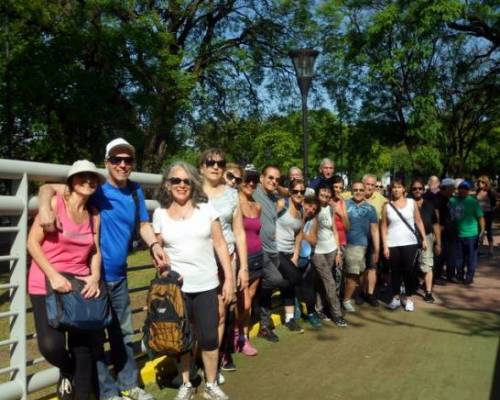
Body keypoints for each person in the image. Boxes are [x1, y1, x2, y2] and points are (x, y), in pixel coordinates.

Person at [38, 138, 168, 400]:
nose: (122, 164)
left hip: (119, 276)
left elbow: (143, 223)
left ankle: (129, 384)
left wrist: (154, 245)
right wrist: (44, 208)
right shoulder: (94, 187)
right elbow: (47, 188)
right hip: (90, 278)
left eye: (127, 160)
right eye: (116, 160)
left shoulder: (135, 191)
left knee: (123, 332)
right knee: (94, 337)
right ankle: (108, 393)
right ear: (107, 163)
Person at [152, 161, 233, 400]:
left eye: (186, 180)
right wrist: (163, 268)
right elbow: (157, 250)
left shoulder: (207, 210)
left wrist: (228, 279)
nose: (181, 185)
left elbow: (220, 244)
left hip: (207, 284)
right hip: (177, 290)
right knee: (182, 339)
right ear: (167, 184)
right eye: (176, 180)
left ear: (193, 184)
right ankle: (186, 383)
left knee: (209, 337)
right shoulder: (159, 215)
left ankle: (210, 383)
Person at [28, 160, 105, 400]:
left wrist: (94, 277)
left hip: (80, 285)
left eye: (92, 177)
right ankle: (66, 369)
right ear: (71, 182)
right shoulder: (54, 204)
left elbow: (95, 250)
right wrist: (53, 275)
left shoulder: (94, 214)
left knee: (83, 349)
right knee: (50, 346)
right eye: (82, 177)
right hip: (46, 282)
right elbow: (32, 243)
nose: (88, 181)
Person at [199, 149, 248, 374]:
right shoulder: (191, 191)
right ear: (202, 166)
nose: (216, 166)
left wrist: (244, 268)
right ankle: (195, 361)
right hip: (199, 260)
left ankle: (214, 365)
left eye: (220, 163)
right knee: (195, 315)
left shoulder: (231, 194)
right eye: (210, 162)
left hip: (227, 259)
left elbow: (239, 232)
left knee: (220, 313)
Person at [253, 165, 288, 342]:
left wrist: (279, 202)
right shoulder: (253, 192)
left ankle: (264, 326)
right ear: (261, 178)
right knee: (275, 280)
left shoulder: (273, 196)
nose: (273, 181)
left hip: (273, 248)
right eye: (270, 177)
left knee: (267, 287)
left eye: (276, 179)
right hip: (259, 250)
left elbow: (285, 197)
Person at [381, 178, 427, 312]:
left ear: (403, 189)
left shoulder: (412, 203)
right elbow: (383, 227)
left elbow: (418, 221)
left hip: (410, 242)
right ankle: (395, 297)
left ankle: (409, 298)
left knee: (409, 271)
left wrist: (423, 238)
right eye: (394, 187)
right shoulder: (387, 206)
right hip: (392, 243)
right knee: (395, 271)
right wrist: (385, 246)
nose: (396, 190)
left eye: (399, 187)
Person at [235, 166, 262, 356]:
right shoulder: (234, 202)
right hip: (241, 259)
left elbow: (256, 231)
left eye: (254, 180)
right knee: (242, 302)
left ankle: (244, 337)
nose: (251, 183)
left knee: (250, 299)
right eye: (247, 179)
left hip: (258, 256)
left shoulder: (257, 205)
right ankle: (235, 334)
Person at [312, 183, 348, 327]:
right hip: (317, 251)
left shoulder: (330, 208)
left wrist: (338, 251)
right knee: (330, 281)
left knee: (324, 281)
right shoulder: (312, 208)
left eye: (327, 196)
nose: (325, 198)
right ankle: (337, 314)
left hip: (331, 249)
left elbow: (334, 229)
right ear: (317, 194)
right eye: (322, 195)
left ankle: (319, 309)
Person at [275, 179, 308, 333]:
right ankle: (269, 285)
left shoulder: (302, 210)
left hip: (289, 252)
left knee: (290, 282)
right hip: (276, 250)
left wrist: (295, 255)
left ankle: (289, 318)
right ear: (290, 191)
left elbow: (299, 234)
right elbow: (267, 222)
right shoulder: (282, 204)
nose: (299, 194)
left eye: (302, 191)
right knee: (296, 278)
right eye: (295, 191)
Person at [342, 182, 379, 313]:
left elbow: (374, 230)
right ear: (351, 191)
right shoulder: (344, 204)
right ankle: (346, 300)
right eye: (355, 189)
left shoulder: (370, 209)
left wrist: (377, 250)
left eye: (361, 190)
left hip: (362, 245)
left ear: (365, 191)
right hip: (346, 244)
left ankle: (349, 297)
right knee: (352, 274)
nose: (358, 192)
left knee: (358, 274)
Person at [410, 178, 441, 303]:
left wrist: (438, 242)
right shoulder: (406, 204)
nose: (417, 191)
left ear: (423, 190)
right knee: (409, 265)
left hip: (427, 238)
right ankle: (408, 287)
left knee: (427, 265)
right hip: (410, 237)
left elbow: (435, 225)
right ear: (410, 190)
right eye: (414, 188)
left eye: (420, 188)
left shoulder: (429, 205)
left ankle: (428, 292)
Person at [449, 181, 485, 284]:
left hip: (472, 235)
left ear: (468, 191)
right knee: (459, 258)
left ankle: (469, 276)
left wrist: (482, 231)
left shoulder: (472, 201)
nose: (462, 191)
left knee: (471, 257)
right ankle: (459, 274)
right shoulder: (452, 200)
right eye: (461, 188)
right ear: (458, 190)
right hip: (458, 234)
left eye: (465, 189)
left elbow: (481, 217)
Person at [361, 174, 387, 306]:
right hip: (357, 237)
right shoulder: (352, 196)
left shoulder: (382, 200)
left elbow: (384, 222)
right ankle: (361, 292)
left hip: (374, 238)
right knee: (359, 268)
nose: (370, 187)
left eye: (372, 185)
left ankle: (370, 294)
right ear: (362, 184)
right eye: (368, 184)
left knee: (372, 267)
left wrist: (383, 243)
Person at [433, 178, 456, 284]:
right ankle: (436, 276)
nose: (454, 190)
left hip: (450, 231)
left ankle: (450, 275)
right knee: (440, 255)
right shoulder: (438, 199)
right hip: (441, 232)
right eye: (452, 188)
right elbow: (436, 216)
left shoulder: (447, 198)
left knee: (450, 254)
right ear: (446, 188)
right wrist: (439, 227)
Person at [476, 175, 497, 256]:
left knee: (488, 231)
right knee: (479, 231)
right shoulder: (478, 191)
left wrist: (491, 210)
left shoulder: (490, 192)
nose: (480, 184)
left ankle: (491, 250)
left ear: (486, 183)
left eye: (482, 182)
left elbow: (494, 204)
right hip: (479, 214)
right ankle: (478, 249)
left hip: (488, 214)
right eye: (479, 182)